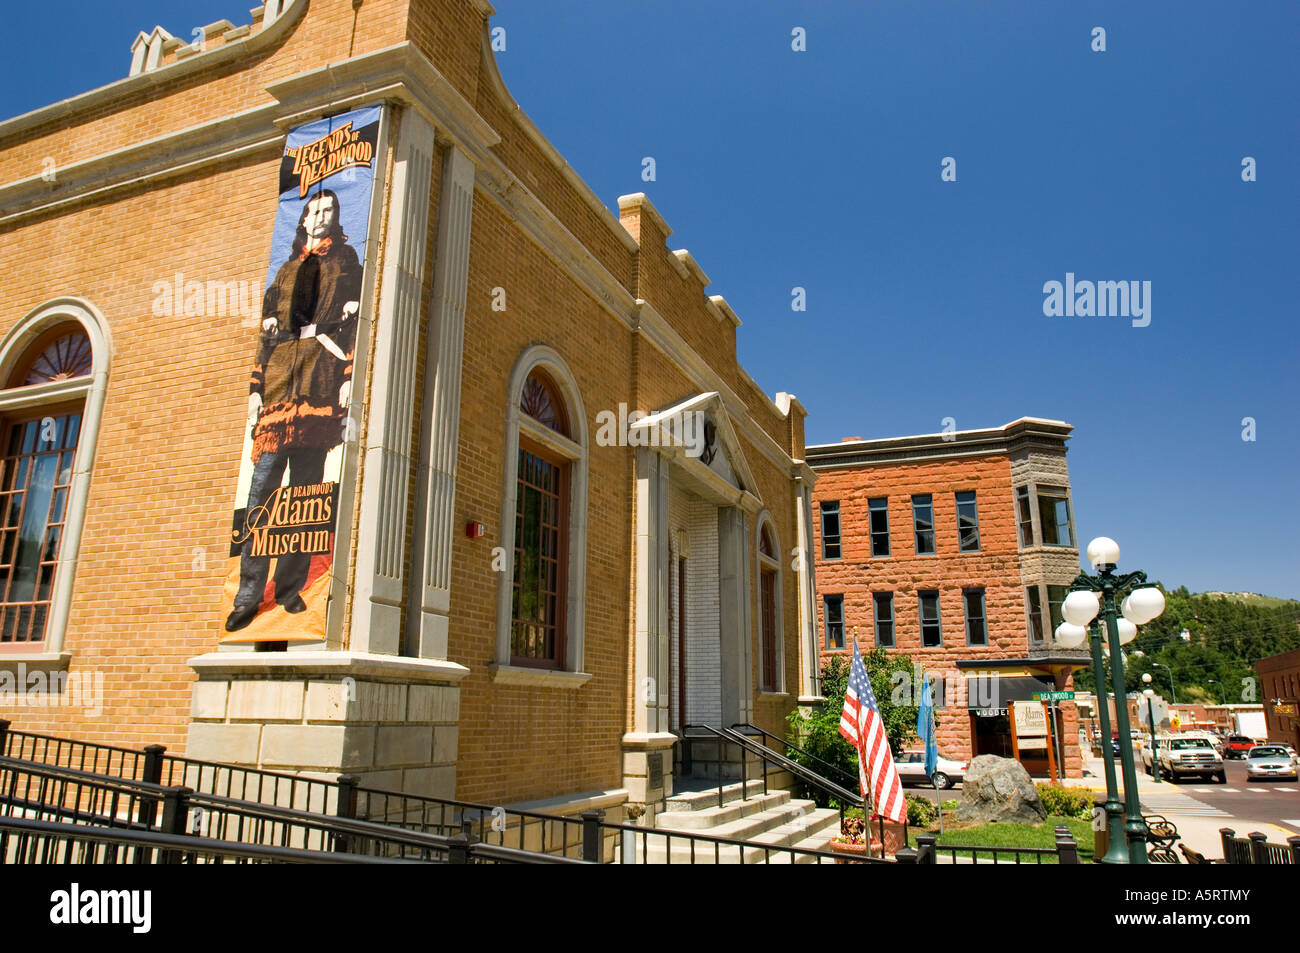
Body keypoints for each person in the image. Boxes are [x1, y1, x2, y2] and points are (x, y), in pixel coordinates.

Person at [226, 189, 361, 632]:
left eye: (329, 210)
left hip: (320, 386)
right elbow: (264, 337)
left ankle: (289, 588)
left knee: (305, 496)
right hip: (280, 387)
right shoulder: (284, 271)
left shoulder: (347, 263)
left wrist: (346, 380)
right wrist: (253, 389)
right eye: (315, 209)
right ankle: (248, 593)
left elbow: (356, 324)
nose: (321, 216)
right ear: (303, 218)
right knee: (259, 495)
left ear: (336, 217)